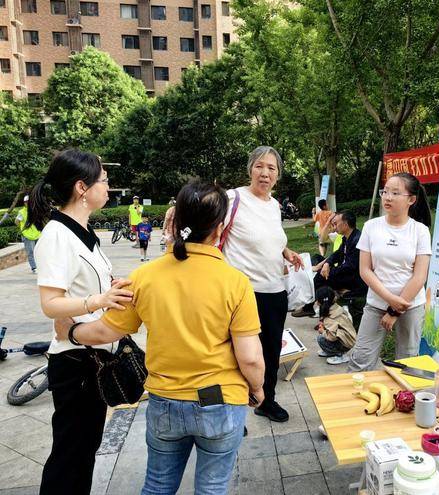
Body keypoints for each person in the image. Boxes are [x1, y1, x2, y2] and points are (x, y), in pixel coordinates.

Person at [53, 181, 266, 495]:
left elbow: (105, 331)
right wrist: (258, 389)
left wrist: (69, 331)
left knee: (157, 486)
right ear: (220, 230)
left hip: (165, 403)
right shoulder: (235, 282)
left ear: (175, 222)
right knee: (212, 488)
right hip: (221, 401)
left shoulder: (144, 277)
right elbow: (249, 357)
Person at [28, 149, 134, 495]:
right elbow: (50, 303)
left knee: (84, 450)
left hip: (92, 356)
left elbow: (84, 284)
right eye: (103, 180)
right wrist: (98, 300)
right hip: (75, 363)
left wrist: (110, 288)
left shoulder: (81, 233)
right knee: (71, 454)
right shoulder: (57, 236)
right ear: (81, 188)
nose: (109, 187)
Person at [221, 146, 303, 423]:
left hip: (274, 291)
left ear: (278, 175)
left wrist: (286, 251)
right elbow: (210, 232)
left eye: (271, 168)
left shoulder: (275, 206)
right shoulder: (233, 198)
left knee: (270, 351)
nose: (265, 173)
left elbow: (270, 238)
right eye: (259, 166)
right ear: (249, 169)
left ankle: (267, 400)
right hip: (241, 293)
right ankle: (232, 412)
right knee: (237, 354)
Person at [347, 172, 432, 372]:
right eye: (385, 191)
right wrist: (389, 300)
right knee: (360, 359)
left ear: (411, 199)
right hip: (376, 303)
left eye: (395, 193)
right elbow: (365, 270)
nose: (388, 197)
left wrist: (395, 310)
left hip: (410, 306)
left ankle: (402, 401)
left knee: (407, 363)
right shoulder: (371, 227)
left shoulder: (420, 231)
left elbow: (419, 276)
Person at [292, 210, 366, 317]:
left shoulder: (357, 240)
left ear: (345, 224)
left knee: (320, 278)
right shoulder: (347, 237)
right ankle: (317, 309)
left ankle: (316, 310)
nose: (334, 227)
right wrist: (326, 264)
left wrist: (329, 270)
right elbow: (337, 254)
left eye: (336, 224)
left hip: (355, 279)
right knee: (319, 268)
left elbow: (350, 267)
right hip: (346, 272)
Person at [315, 286, 357, 365]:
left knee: (320, 339)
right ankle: (331, 351)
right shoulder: (335, 307)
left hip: (346, 343)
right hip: (349, 338)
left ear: (319, 302)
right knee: (323, 336)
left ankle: (340, 355)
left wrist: (323, 331)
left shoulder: (331, 318)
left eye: (317, 300)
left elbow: (332, 337)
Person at [14, 194, 41, 273]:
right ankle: (34, 268)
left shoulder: (35, 210)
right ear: (25, 203)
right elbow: (16, 221)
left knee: (38, 251)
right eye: (27, 202)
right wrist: (22, 228)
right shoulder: (22, 212)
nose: (28, 203)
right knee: (30, 252)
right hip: (27, 235)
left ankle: (39, 266)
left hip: (36, 234)